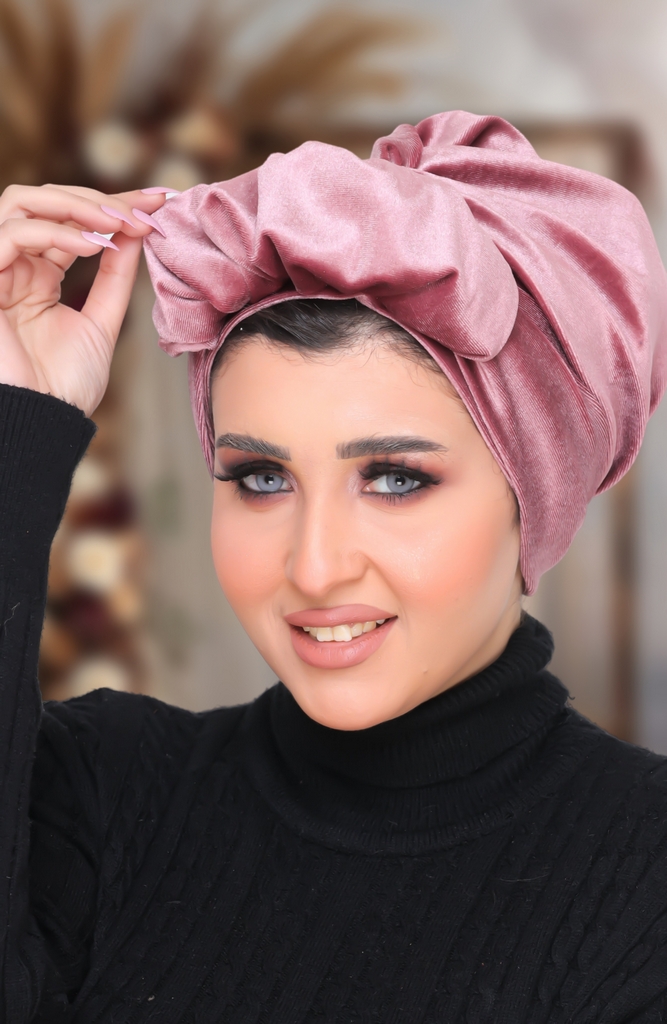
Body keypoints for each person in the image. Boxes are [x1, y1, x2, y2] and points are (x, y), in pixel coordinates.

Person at [1, 112, 667, 1023]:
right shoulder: (102, 789)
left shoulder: (642, 878)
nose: (313, 569)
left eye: (395, 480)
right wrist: (17, 436)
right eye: (260, 478)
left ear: (535, 495)